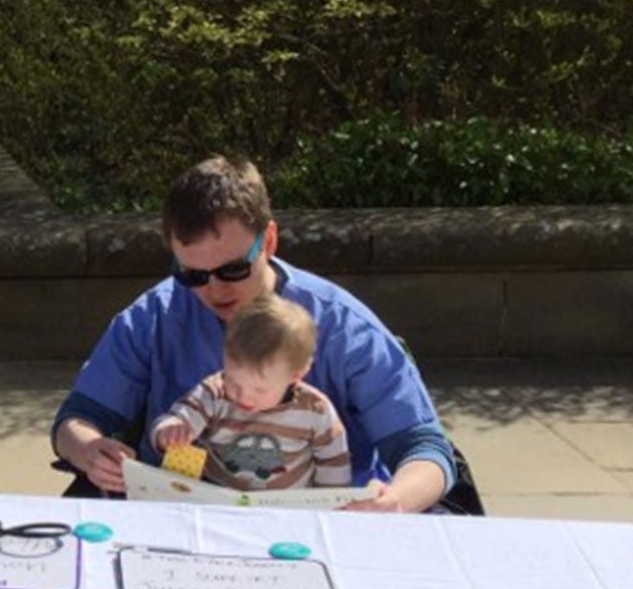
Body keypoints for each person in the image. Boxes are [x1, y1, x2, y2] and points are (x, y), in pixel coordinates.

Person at [53, 155, 457, 512]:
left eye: (232, 269)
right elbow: (76, 420)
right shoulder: (154, 315)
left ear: (269, 240)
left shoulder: (344, 326)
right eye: (192, 275)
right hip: (181, 516)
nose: (214, 289)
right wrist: (90, 451)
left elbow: (426, 450)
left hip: (325, 526)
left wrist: (395, 501)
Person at [149, 294, 351, 491]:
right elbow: (181, 418)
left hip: (286, 509)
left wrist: (327, 507)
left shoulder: (315, 410)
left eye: (259, 390)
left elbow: (333, 463)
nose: (243, 397)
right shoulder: (215, 392)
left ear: (296, 376)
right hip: (217, 500)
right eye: (233, 382)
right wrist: (169, 431)